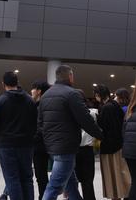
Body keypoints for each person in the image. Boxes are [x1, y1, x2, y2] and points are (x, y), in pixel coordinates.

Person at [38, 65, 103, 200]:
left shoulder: (45, 96)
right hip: (66, 147)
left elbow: (40, 123)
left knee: (71, 184)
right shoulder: (71, 94)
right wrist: (102, 136)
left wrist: (49, 140)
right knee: (54, 187)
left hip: (52, 148)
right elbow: (85, 120)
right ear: (70, 76)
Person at [0, 72, 38, 200]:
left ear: (3, 84)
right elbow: (35, 123)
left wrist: (1, 135)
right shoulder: (29, 100)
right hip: (27, 145)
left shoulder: (0, 101)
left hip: (7, 145)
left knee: (12, 179)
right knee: (27, 178)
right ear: (17, 82)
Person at [94, 84, 130, 200]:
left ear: (98, 95)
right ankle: (125, 194)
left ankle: (117, 196)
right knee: (121, 172)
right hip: (119, 144)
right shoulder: (115, 106)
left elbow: (102, 127)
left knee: (112, 175)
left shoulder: (106, 108)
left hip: (109, 147)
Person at [74, 92, 97, 200]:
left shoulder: (70, 113)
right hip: (87, 149)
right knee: (87, 181)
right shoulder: (93, 112)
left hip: (74, 149)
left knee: (73, 180)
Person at [30, 80, 50, 200]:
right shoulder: (39, 105)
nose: (31, 91)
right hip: (47, 144)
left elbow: (40, 127)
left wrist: (33, 137)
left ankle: (44, 196)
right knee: (42, 176)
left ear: (39, 91)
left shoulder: (40, 106)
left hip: (41, 145)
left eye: (33, 88)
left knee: (41, 175)